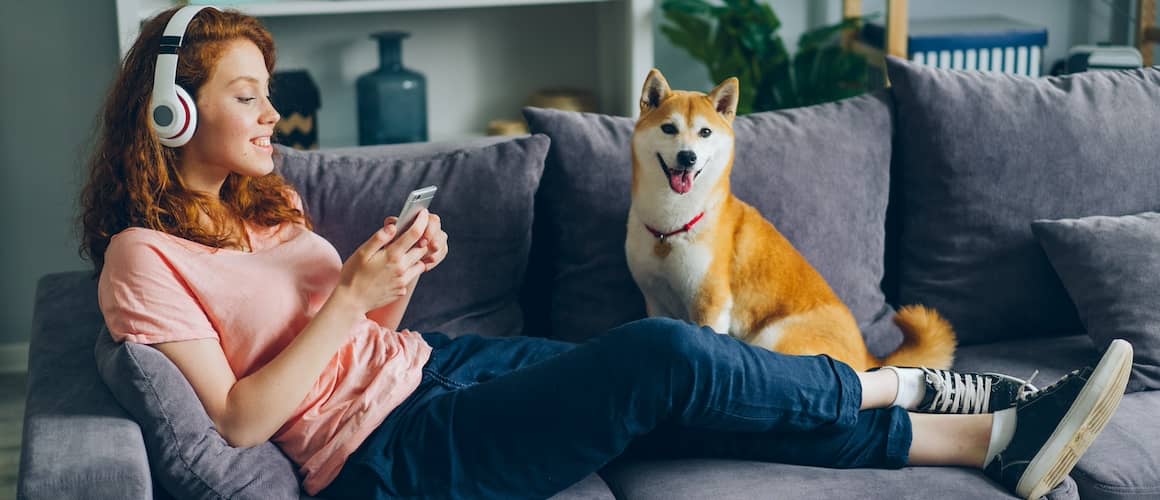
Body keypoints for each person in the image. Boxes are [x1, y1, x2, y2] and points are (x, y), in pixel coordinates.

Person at [80, 6, 1134, 500]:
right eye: (247, 95)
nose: (272, 114)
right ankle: (929, 401)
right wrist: (349, 297)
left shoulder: (266, 207)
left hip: (426, 369)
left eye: (270, 92)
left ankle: (981, 437)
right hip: (378, 457)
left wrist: (388, 284)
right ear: (171, 111)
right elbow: (239, 416)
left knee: (672, 388)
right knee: (660, 355)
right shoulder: (142, 255)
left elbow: (359, 333)